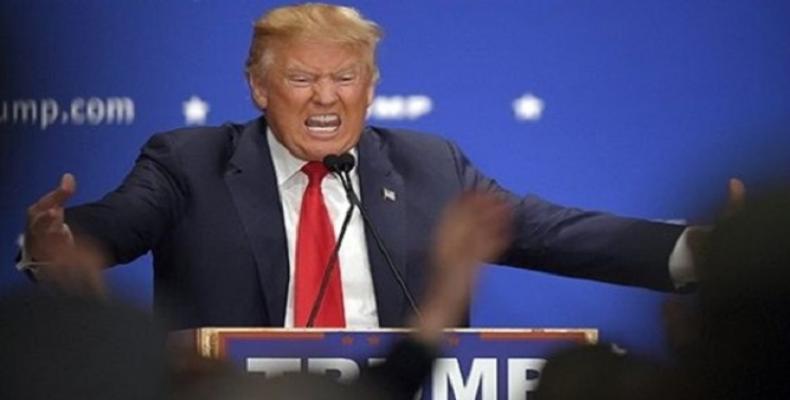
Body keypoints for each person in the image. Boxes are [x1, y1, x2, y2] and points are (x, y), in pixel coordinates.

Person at [18, 3, 736, 329]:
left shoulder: (429, 166)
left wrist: (697, 249)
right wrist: (63, 241)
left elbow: (552, 232)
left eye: (347, 77)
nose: (327, 98)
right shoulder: (191, 162)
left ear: (370, 87)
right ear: (258, 88)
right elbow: (122, 220)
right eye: (301, 79)